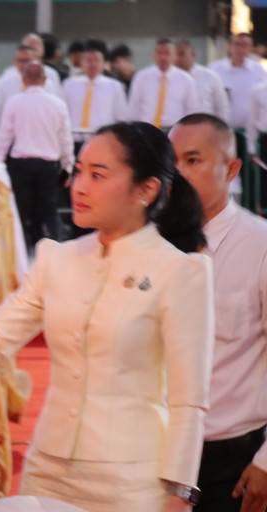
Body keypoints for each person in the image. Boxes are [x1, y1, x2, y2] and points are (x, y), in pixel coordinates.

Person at [0, 120, 213, 512]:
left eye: (98, 175)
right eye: (78, 172)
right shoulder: (58, 259)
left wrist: (181, 492)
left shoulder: (180, 272)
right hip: (48, 469)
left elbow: (189, 400)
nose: (79, 187)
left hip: (133, 481)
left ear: (146, 190)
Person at [169, 113, 267, 512]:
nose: (178, 173)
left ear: (231, 169)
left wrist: (266, 461)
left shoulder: (259, 244)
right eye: (171, 161)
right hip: (154, 452)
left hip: (232, 457)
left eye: (192, 160)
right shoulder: (150, 241)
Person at [0, 63, 73, 247]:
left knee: (21, 209)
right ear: (45, 80)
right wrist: (68, 166)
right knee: (49, 208)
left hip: (21, 164)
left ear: (24, 80)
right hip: (48, 165)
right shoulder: (58, 105)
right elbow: (65, 139)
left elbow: (5, 136)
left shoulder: (14, 102)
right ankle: (54, 245)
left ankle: (22, 248)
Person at [0, 45, 60, 143]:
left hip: (40, 139)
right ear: (14, 61)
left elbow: (54, 113)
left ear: (36, 60)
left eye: (27, 60)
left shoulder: (47, 85)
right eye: (20, 60)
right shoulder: (5, 83)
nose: (23, 65)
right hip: (12, 140)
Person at [62, 39, 128, 138]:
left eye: (96, 60)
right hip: (74, 137)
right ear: (81, 63)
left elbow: (121, 117)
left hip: (102, 138)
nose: (92, 64)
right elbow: (63, 113)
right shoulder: (69, 84)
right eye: (88, 60)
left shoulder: (114, 86)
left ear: (104, 63)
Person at [129, 38, 198, 128]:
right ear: (153, 54)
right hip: (147, 128)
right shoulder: (141, 77)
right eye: (159, 53)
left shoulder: (186, 79)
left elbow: (191, 110)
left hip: (174, 128)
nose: (163, 57)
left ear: (174, 55)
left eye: (167, 53)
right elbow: (134, 107)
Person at [210, 34, 266, 133]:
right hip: (221, 129)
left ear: (250, 48)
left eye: (244, 45)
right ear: (230, 46)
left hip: (251, 130)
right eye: (236, 44)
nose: (239, 48)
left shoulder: (258, 70)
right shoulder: (215, 69)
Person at [174, 40, 230, 122]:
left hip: (205, 125)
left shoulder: (210, 76)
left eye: (181, 54)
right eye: (174, 55)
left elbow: (221, 106)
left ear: (193, 54)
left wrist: (221, 127)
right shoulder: (169, 79)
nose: (177, 58)